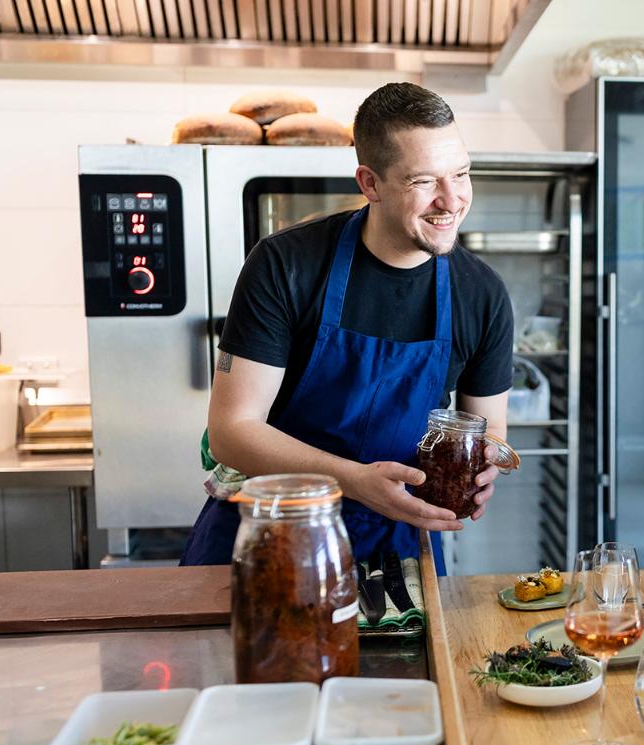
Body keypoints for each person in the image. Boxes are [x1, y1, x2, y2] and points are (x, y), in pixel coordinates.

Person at [180, 83, 513, 572]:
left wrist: (487, 464)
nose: (452, 200)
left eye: (461, 174)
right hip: (272, 529)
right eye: (424, 181)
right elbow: (231, 431)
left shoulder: (481, 293)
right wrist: (353, 480)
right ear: (370, 184)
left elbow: (488, 427)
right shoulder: (285, 264)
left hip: (396, 545)